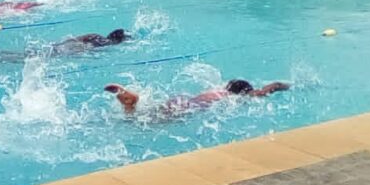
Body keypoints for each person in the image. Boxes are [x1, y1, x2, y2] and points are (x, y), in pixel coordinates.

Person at [105, 79, 291, 118]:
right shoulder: (233, 97)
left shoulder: (217, 89)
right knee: (152, 121)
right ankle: (132, 103)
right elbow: (265, 90)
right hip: (191, 106)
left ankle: (130, 104)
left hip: (184, 99)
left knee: (148, 114)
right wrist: (284, 86)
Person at [53, 29, 129, 55]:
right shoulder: (108, 45)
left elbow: (75, 39)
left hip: (76, 45)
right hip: (82, 48)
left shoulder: (95, 35)